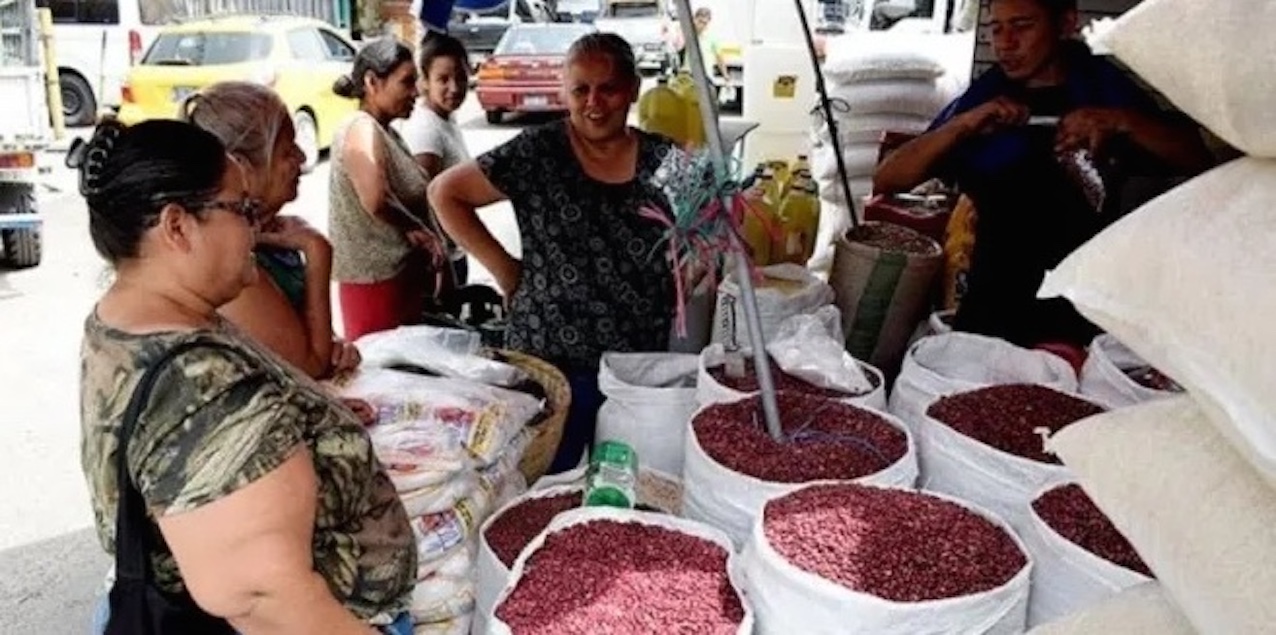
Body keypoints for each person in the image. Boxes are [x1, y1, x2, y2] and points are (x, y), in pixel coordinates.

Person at [74, 119, 416, 635]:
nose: (256, 228)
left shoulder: (131, 316)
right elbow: (263, 597)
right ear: (177, 226)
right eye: (242, 210)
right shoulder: (203, 389)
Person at [873, 0, 1211, 354]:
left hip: (1081, 315)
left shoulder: (1101, 87)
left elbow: (1199, 158)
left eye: (1022, 26)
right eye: (996, 28)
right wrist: (962, 126)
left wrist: (1122, 122)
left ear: (1065, 23)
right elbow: (889, 178)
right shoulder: (986, 97)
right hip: (992, 310)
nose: (1005, 43)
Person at [428, 32, 682, 473]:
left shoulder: (665, 158)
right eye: (581, 90)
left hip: (633, 371)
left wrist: (696, 262)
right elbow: (444, 193)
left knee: (622, 480)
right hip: (550, 362)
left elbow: (709, 230)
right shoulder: (537, 151)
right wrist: (505, 269)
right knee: (547, 482)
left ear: (633, 90)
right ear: (565, 92)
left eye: (608, 88)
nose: (594, 103)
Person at [181, 81, 361, 380]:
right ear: (240, 168)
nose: (302, 158)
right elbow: (308, 367)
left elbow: (315, 342)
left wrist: (335, 346)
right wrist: (318, 252)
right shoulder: (229, 261)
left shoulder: (275, 236)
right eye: (287, 150)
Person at [330, 38, 449, 342]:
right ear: (372, 82)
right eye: (406, 82)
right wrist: (420, 231)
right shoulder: (360, 127)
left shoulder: (387, 132)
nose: (416, 92)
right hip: (377, 288)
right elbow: (375, 199)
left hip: (400, 285)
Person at [398, 32, 472, 285]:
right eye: (443, 79)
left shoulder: (445, 117)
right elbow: (423, 201)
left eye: (461, 77)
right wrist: (438, 261)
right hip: (440, 261)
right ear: (425, 81)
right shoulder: (426, 130)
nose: (455, 87)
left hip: (453, 252)